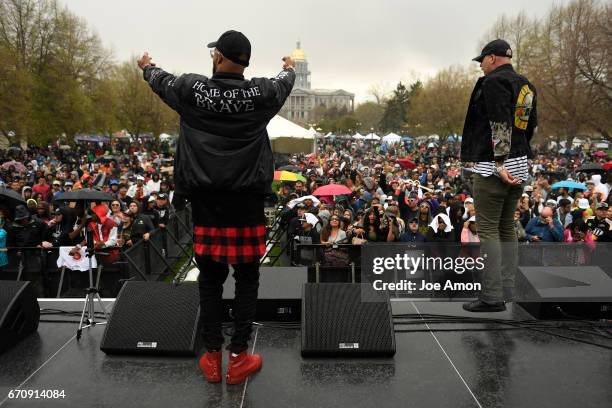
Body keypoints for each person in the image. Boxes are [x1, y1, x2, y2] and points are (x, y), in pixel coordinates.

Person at [138, 30, 295, 384]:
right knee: (247, 280)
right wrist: (288, 67)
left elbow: (161, 81)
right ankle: (239, 358)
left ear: (220, 58)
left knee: (209, 281)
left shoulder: (192, 90)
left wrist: (147, 67)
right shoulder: (262, 94)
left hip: (206, 203)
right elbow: (285, 81)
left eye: (214, 53)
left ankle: (212, 358)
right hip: (247, 203)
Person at [461, 39, 537, 312]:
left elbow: (500, 123)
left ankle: (491, 296)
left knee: (489, 229)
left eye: (481, 60)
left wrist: (499, 163)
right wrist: (517, 159)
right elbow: (529, 126)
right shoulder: (526, 84)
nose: (480, 66)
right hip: (519, 162)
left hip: (495, 165)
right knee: (506, 227)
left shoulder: (492, 82)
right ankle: (507, 288)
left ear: (492, 58)